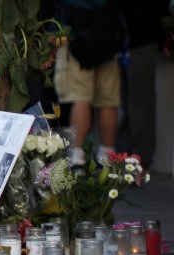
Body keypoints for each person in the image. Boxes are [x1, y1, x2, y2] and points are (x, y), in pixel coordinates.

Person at [53, 0, 125, 166]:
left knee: (80, 97)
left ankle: (77, 157)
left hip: (75, 33)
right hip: (109, 33)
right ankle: (107, 157)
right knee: (108, 101)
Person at [116, 2, 170, 169]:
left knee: (138, 100)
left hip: (139, 35)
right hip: (124, 36)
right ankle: (124, 156)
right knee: (125, 101)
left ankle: (138, 158)